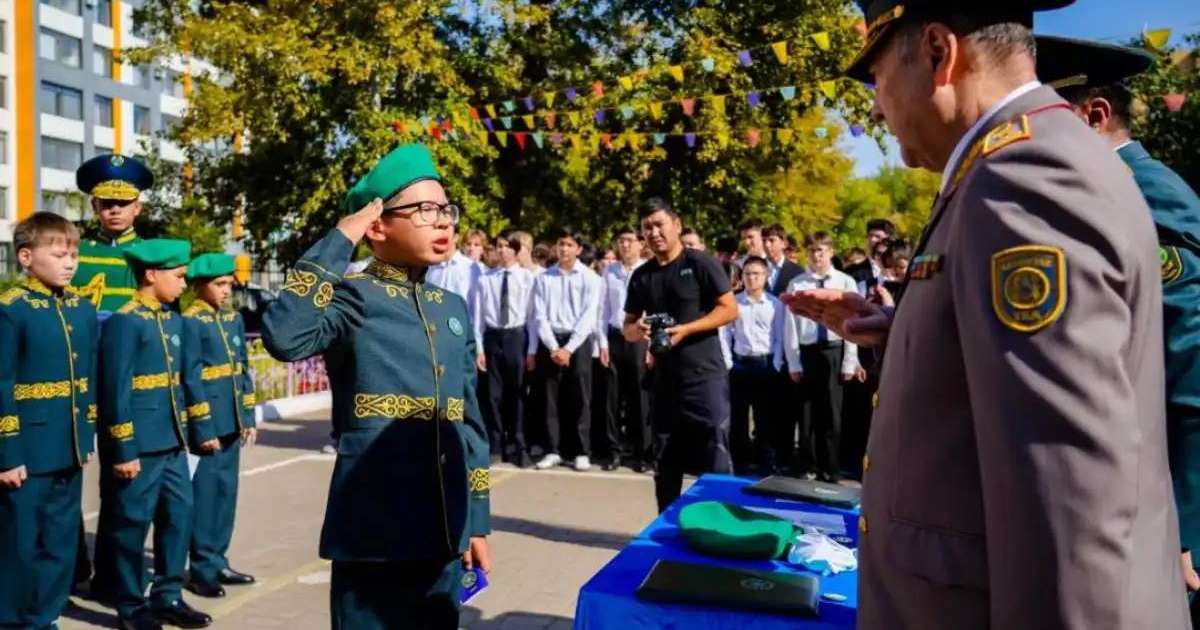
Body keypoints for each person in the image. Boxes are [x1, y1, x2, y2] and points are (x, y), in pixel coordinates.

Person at [783, 2, 1189, 627]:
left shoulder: (1023, 176)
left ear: (940, 54)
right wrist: (902, 333)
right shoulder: (1009, 163)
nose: (876, 107)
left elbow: (1069, 506)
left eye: (877, 75)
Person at [261, 143, 491, 629]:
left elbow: (469, 423)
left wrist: (478, 521)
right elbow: (285, 336)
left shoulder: (451, 308)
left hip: (445, 529)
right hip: (373, 530)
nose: (443, 221)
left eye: (446, 210)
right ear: (378, 226)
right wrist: (341, 236)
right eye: (425, 210)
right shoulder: (353, 296)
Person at [1036, 33, 1200, 608]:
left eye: (1048, 116)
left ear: (1095, 114)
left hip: (1173, 504)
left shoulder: (1147, 191)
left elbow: (1191, 367)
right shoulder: (1091, 190)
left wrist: (1185, 521)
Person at [93, 239, 214, 630]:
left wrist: (196, 432)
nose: (184, 284)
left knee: (179, 517)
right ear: (151, 275)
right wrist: (124, 449)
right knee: (132, 525)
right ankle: (129, 604)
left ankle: (168, 596)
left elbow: (184, 382)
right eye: (178, 277)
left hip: (173, 444)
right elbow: (115, 391)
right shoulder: (125, 321)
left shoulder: (172, 320)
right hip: (140, 447)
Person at [0, 213, 98, 630]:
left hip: (68, 446)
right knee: (19, 545)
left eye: (73, 254)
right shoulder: (12, 310)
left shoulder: (81, 310)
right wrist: (7, 453)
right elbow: (2, 383)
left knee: (60, 542)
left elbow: (87, 378)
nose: (70, 262)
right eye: (58, 254)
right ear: (26, 257)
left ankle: (45, 616)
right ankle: (10, 620)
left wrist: (86, 436)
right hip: (26, 453)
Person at [624, 198, 738, 512]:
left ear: (676, 224)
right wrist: (641, 329)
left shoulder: (701, 263)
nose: (654, 232)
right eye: (647, 228)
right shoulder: (642, 276)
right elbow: (628, 327)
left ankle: (724, 527)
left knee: (715, 452)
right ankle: (667, 532)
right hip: (663, 380)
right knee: (665, 461)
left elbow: (730, 310)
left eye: (659, 224)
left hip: (705, 376)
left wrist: (686, 330)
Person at [181, 254, 258, 599]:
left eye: (229, 284)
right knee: (206, 497)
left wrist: (248, 416)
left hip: (231, 421)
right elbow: (191, 378)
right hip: (209, 423)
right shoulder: (191, 321)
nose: (227, 291)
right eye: (220, 285)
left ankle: (219, 560)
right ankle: (201, 569)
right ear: (200, 286)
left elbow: (243, 369)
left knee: (226, 495)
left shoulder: (232, 319)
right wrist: (202, 427)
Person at [781, 233, 862, 482]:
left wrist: (850, 360)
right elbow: (790, 326)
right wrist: (793, 361)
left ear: (831, 251)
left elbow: (852, 322)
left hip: (834, 349)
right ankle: (809, 465)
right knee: (807, 413)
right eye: (813, 250)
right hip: (808, 351)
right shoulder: (798, 284)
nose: (817, 255)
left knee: (831, 413)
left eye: (822, 250)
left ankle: (831, 468)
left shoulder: (845, 282)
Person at [531, 229, 602, 472]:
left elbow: (589, 316)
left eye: (570, 245)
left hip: (578, 342)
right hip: (551, 341)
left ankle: (581, 451)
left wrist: (569, 348)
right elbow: (539, 315)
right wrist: (553, 347)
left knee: (580, 397)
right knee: (550, 398)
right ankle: (553, 449)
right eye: (561, 244)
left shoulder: (591, 278)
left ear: (579, 249)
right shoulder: (544, 278)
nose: (564, 249)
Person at [473, 234, 537, 467]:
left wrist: (531, 349)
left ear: (516, 250)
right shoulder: (485, 279)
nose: (501, 251)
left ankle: (519, 444)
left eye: (506, 247)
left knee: (518, 393)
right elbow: (478, 317)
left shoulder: (527, 278)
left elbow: (532, 317)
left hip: (516, 336)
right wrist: (479, 348)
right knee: (492, 394)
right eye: (498, 246)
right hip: (493, 336)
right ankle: (496, 444)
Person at [724, 256, 786, 474]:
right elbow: (725, 333)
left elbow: (779, 337)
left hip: (765, 365)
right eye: (747, 273)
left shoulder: (775, 304)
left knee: (765, 419)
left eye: (756, 274)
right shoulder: (734, 302)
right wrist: (728, 361)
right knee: (738, 418)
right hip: (740, 365)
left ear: (765, 276)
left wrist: (776, 363)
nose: (751, 278)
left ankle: (767, 463)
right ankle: (740, 462)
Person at [72, 154, 154, 315]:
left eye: (124, 203)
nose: (115, 210)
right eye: (107, 203)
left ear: (137, 208)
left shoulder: (152, 254)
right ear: (95, 206)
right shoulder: (75, 252)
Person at [597, 227, 650, 472]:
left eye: (630, 240)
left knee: (640, 396)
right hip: (615, 336)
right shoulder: (610, 271)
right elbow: (603, 309)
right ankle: (613, 451)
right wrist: (602, 343)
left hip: (640, 337)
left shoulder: (648, 270)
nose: (626, 245)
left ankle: (642, 452)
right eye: (621, 241)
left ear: (640, 244)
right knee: (612, 398)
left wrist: (651, 345)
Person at [426, 226, 482, 305]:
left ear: (456, 237)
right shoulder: (431, 266)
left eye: (446, 232)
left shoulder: (470, 267)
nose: (442, 236)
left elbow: (477, 302)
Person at [841, 219, 895, 295]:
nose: (872, 240)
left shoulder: (900, 269)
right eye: (870, 236)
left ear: (889, 239)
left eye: (877, 236)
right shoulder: (852, 272)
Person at [761, 224, 802, 296]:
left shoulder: (797, 271)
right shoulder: (755, 268)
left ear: (784, 244)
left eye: (771, 240)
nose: (767, 244)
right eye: (764, 240)